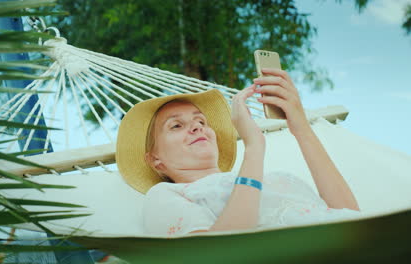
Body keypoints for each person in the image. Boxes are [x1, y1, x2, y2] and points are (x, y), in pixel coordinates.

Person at [116, 68, 360, 237]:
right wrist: (254, 146)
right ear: (155, 159)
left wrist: (301, 128)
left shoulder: (273, 178)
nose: (197, 126)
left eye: (201, 121)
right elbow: (219, 254)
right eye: (176, 125)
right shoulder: (166, 195)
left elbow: (351, 218)